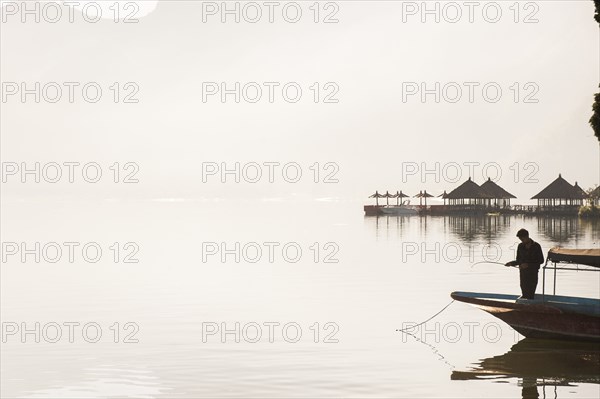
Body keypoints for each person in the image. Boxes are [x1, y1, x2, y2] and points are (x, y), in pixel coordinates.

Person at [505, 229, 544, 299]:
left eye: (522, 238)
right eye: (520, 239)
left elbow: (541, 261)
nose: (521, 240)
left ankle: (530, 306)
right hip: (523, 273)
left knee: (531, 293)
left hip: (533, 273)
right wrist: (511, 263)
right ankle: (524, 305)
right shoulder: (520, 246)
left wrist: (528, 265)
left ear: (527, 236)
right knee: (524, 292)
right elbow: (518, 260)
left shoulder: (536, 246)